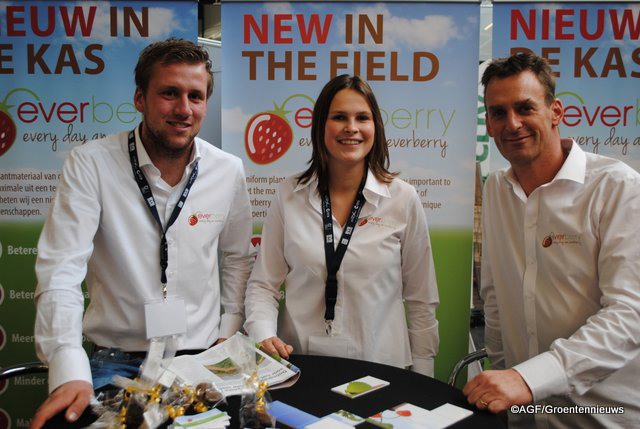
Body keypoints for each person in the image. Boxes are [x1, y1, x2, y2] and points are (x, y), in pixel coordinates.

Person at [31, 38, 254, 428]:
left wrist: (228, 331)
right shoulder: (91, 164)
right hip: (114, 360)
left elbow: (237, 256)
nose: (184, 109)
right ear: (140, 98)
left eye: (196, 96)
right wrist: (68, 366)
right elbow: (60, 271)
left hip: (198, 359)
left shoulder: (228, 169)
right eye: (169, 93)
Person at [463, 52, 640, 428]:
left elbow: (630, 314)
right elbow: (495, 297)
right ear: (488, 124)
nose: (512, 123)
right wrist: (507, 378)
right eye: (498, 112)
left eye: (525, 108)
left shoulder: (617, 188)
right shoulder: (497, 189)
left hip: (604, 415)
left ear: (556, 111)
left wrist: (529, 378)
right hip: (525, 414)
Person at [243, 74, 439, 376]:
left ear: (376, 127)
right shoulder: (289, 195)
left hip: (382, 368)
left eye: (362, 117)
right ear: (321, 126)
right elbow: (263, 285)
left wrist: (424, 377)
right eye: (339, 117)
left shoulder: (403, 199)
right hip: (302, 366)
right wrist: (263, 333)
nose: (351, 127)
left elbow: (421, 299)